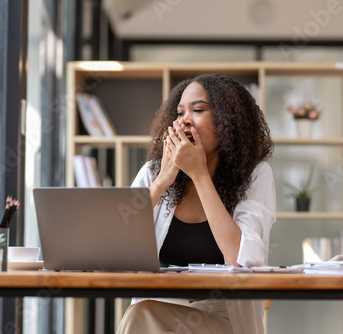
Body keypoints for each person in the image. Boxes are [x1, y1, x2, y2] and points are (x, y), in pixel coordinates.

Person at [117, 73, 276, 334]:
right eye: (180, 113)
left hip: (224, 320)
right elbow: (115, 244)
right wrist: (162, 182)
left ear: (228, 120)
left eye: (198, 109)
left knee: (140, 315)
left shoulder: (256, 174)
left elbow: (240, 258)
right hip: (157, 312)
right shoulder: (153, 171)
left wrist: (199, 174)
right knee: (142, 314)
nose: (184, 120)